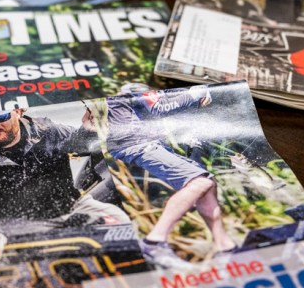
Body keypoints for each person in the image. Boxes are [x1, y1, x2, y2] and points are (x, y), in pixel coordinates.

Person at [0, 106, 129, 257]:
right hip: (19, 222)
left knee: (120, 221)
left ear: (19, 111)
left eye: (1, 117)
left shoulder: (51, 132)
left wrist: (90, 130)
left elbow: (82, 144)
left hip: (71, 205)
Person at [82, 84, 236, 270]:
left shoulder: (114, 91)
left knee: (208, 184)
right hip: (138, 144)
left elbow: (86, 121)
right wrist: (196, 93)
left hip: (138, 143)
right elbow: (159, 108)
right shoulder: (134, 86)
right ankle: (154, 242)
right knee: (200, 182)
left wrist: (108, 130)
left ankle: (225, 247)